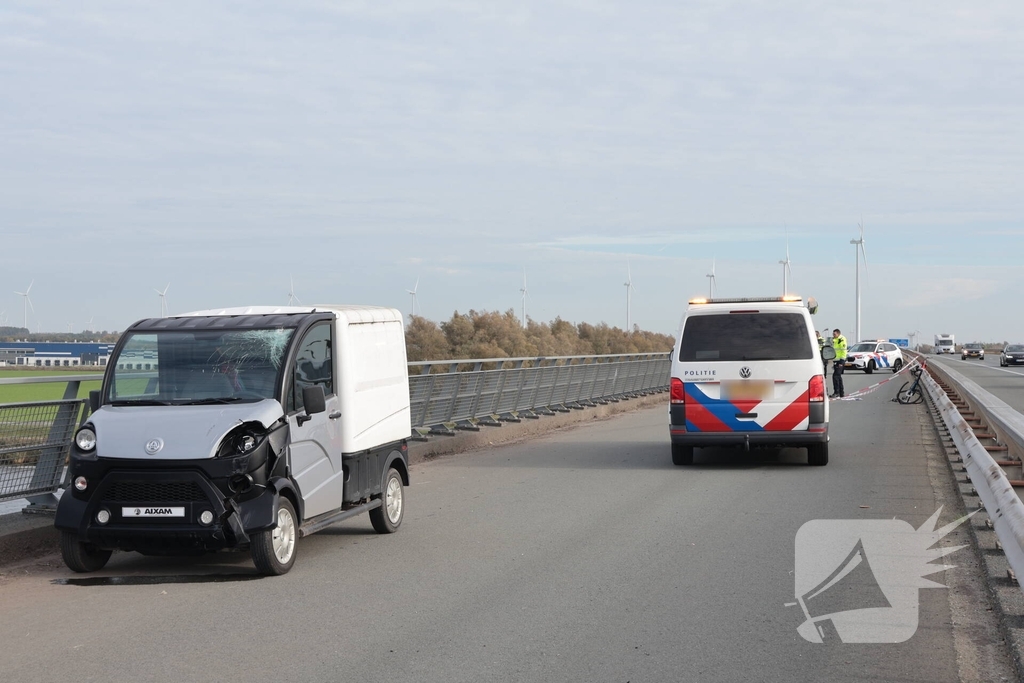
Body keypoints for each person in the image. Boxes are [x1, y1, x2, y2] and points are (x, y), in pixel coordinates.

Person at [831, 328, 848, 398]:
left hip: (840, 360)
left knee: (835, 376)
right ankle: (841, 393)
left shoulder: (841, 340)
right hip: (836, 360)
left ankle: (837, 392)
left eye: (834, 334)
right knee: (838, 377)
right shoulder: (835, 340)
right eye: (833, 334)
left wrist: (841, 361)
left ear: (838, 333)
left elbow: (843, 351)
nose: (833, 335)